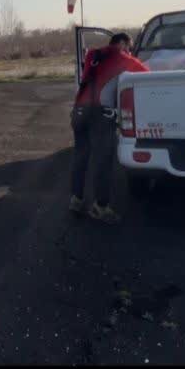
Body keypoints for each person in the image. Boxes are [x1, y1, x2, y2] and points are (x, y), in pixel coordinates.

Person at [70, 32, 149, 225]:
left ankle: (76, 200)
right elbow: (147, 75)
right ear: (122, 43)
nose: (129, 51)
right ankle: (100, 207)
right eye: (129, 47)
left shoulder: (92, 54)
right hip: (100, 116)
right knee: (103, 162)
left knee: (81, 157)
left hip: (79, 111)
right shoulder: (124, 59)